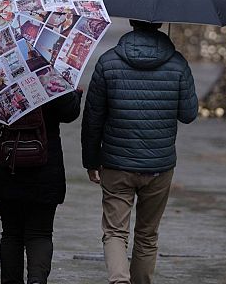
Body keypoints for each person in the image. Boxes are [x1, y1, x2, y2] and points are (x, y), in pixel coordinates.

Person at [81, 20, 199, 284]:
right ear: (160, 24)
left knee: (114, 232)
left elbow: (93, 117)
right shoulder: (177, 63)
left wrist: (91, 160)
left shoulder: (108, 62)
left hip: (116, 163)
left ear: (132, 23)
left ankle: (119, 280)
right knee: (147, 235)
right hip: (160, 165)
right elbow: (189, 114)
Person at [0, 91, 82, 284]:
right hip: (45, 169)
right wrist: (74, 94)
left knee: (11, 233)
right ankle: (37, 280)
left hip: (6, 167)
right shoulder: (49, 75)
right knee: (41, 233)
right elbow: (70, 113)